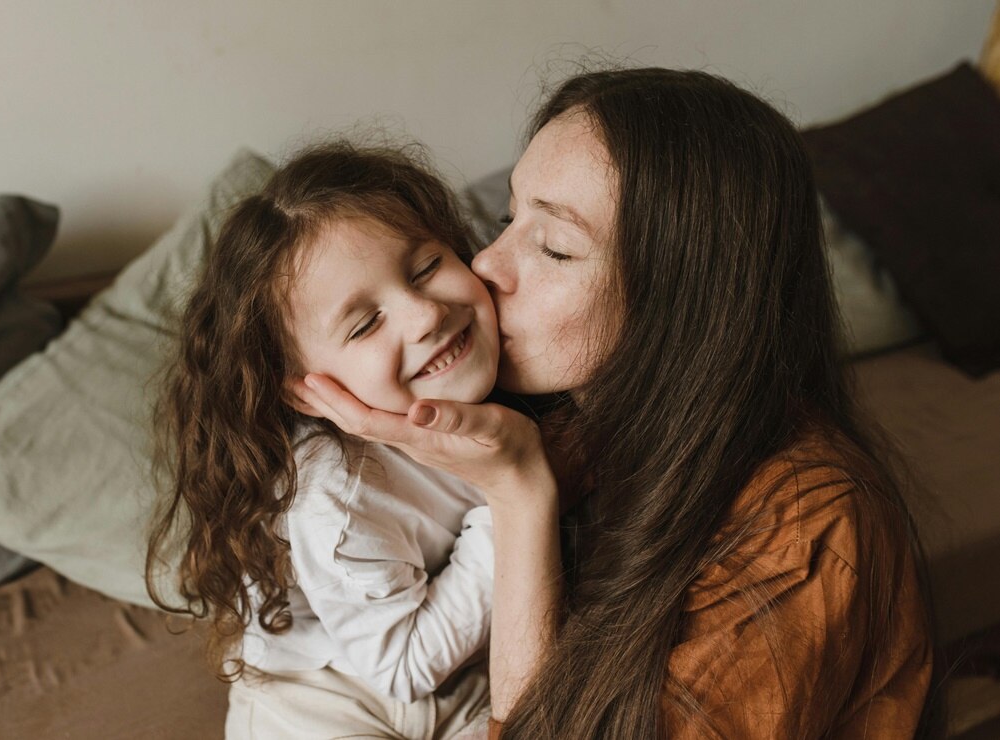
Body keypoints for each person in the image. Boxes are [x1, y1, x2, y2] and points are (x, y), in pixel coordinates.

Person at [293, 68, 938, 738]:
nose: (485, 264)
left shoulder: (804, 531)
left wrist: (518, 495)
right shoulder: (570, 426)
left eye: (554, 248)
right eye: (508, 219)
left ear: (685, 299)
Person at [148, 142, 502, 738]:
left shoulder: (507, 349)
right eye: (364, 325)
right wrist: (508, 503)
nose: (426, 315)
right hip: (319, 699)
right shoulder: (335, 495)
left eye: (425, 268)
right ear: (309, 393)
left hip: (461, 669)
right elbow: (402, 666)